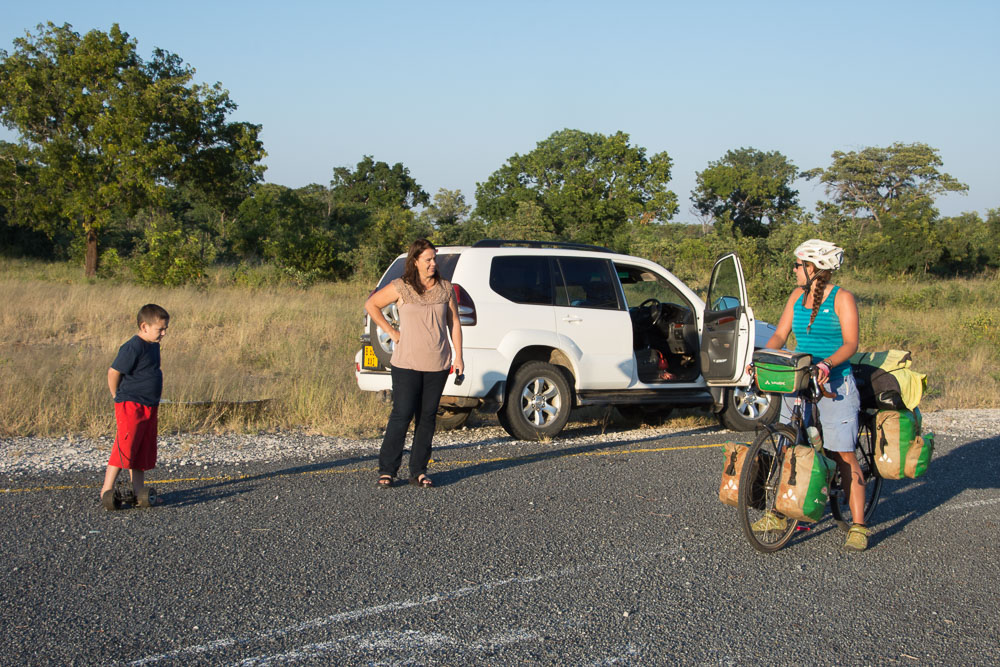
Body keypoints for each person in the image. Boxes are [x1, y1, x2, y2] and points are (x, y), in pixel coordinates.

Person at [760, 239, 868, 551]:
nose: (793, 270)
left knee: (842, 454)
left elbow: (850, 343)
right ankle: (781, 513)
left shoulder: (841, 298)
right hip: (799, 381)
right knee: (788, 447)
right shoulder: (796, 296)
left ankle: (858, 526)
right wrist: (763, 358)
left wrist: (826, 363)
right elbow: (780, 335)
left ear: (814, 268)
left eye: (797, 265)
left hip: (834, 384)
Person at [366, 239, 464, 489]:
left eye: (435, 259)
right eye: (428, 259)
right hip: (406, 363)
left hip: (438, 363)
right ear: (416, 261)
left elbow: (454, 324)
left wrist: (459, 355)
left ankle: (419, 471)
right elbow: (372, 304)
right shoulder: (401, 286)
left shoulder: (445, 287)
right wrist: (391, 331)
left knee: (427, 418)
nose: (433, 263)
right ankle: (387, 470)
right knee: (401, 415)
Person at [100, 304, 169, 510]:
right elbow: (114, 372)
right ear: (144, 326)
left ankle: (139, 491)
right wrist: (116, 396)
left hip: (149, 405)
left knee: (141, 448)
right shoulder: (133, 346)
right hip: (130, 403)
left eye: (165, 329)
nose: (164, 333)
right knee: (125, 445)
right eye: (160, 329)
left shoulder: (153, 344)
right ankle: (106, 489)